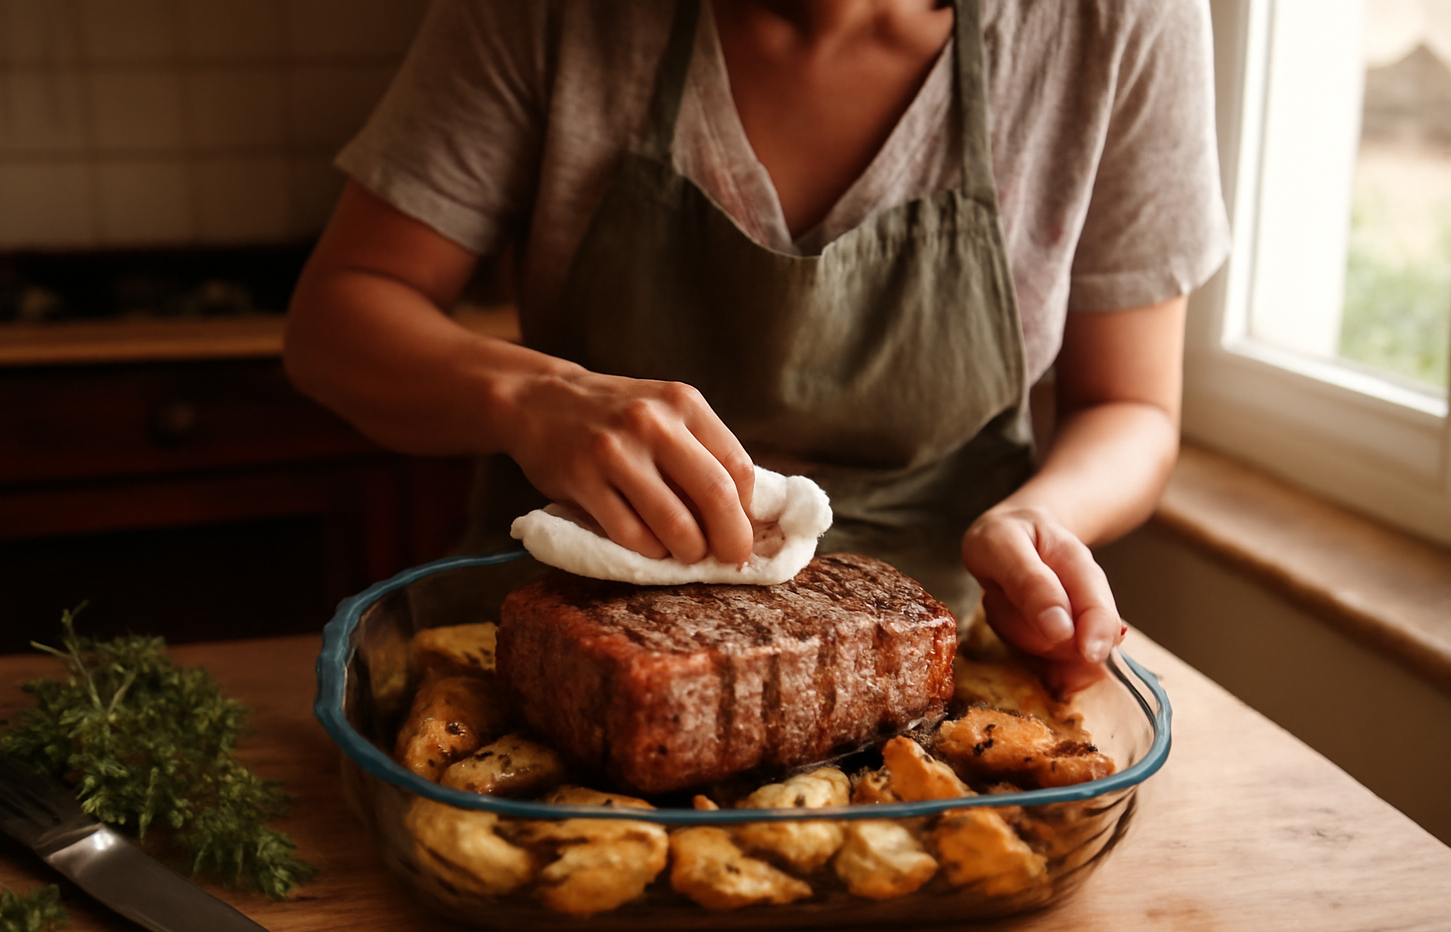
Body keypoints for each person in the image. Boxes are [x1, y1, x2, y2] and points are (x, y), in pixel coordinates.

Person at [283, 0, 1229, 693]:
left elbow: (1130, 406)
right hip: (557, 629)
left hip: (940, 648)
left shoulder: (1119, 23)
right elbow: (336, 320)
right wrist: (532, 396)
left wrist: (1037, 521)